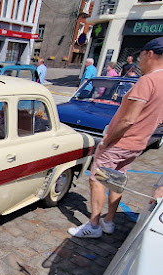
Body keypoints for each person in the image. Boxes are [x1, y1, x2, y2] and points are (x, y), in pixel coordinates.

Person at [68, 36, 163, 238]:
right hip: (138, 143)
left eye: (141, 57)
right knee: (116, 180)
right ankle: (109, 221)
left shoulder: (148, 80)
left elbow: (128, 119)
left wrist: (108, 139)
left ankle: (93, 225)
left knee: (98, 179)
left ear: (150, 54)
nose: (139, 62)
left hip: (121, 141)